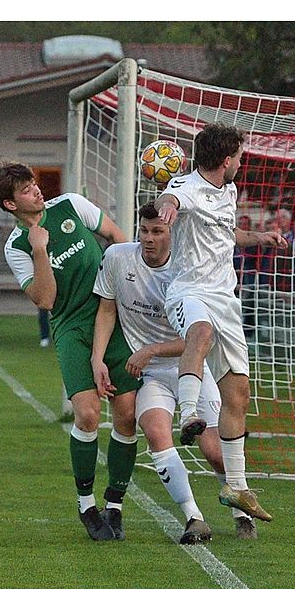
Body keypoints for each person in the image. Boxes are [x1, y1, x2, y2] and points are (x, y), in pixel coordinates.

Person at [0, 161, 141, 542]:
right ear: (10, 204)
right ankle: (86, 504)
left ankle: (115, 504)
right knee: (87, 415)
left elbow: (118, 238)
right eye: (25, 189)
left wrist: (127, 282)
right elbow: (46, 299)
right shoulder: (17, 247)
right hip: (71, 328)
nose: (36, 190)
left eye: (34, 184)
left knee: (127, 413)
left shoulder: (71, 204)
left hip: (113, 317)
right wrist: (41, 251)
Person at [92, 202, 259, 541]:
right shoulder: (117, 258)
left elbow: (202, 339)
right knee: (154, 432)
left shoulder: (193, 272)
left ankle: (242, 513)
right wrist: (97, 359)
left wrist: (151, 348)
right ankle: (193, 518)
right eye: (144, 230)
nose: (149, 238)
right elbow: (107, 310)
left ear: (174, 233)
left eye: (158, 231)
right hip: (152, 375)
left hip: (193, 370)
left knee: (214, 451)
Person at [154, 123, 287, 525]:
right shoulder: (186, 185)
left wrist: (260, 238)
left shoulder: (228, 191)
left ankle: (237, 487)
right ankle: (189, 413)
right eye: (240, 158)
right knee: (200, 333)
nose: (241, 164)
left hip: (226, 300)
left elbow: (227, 235)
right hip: (189, 292)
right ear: (227, 160)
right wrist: (168, 207)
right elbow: (171, 197)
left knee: (239, 394)